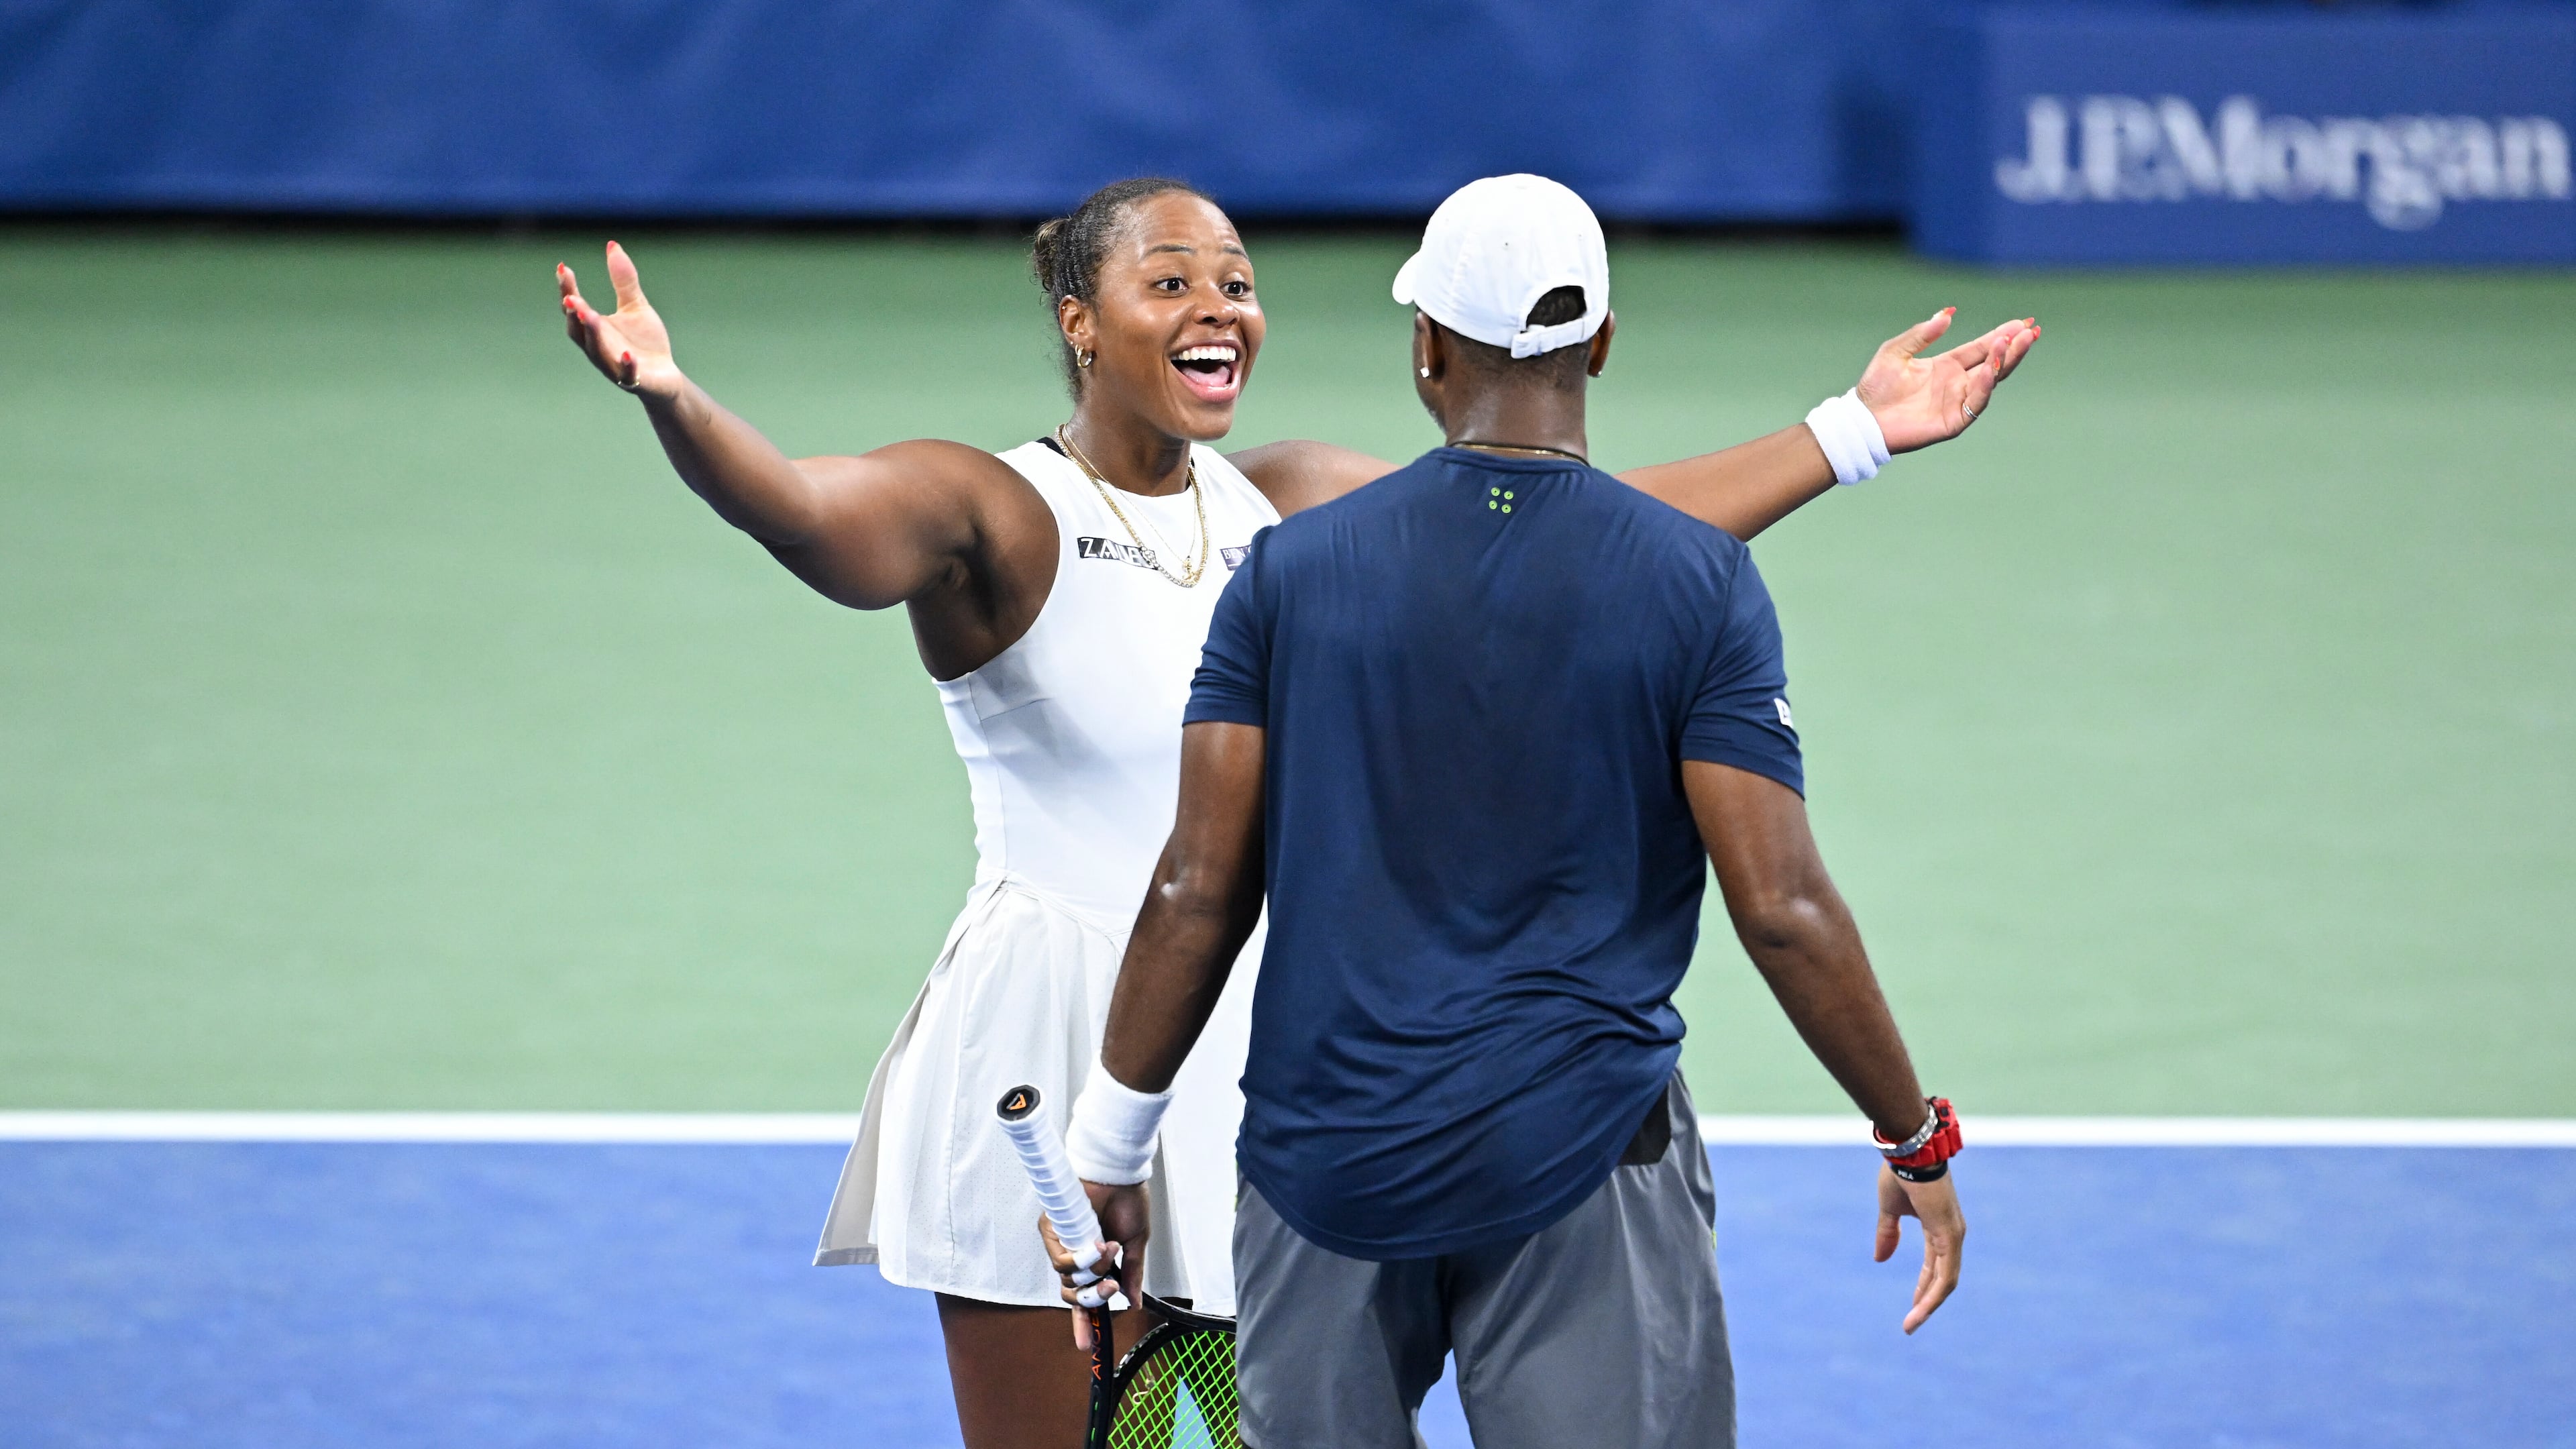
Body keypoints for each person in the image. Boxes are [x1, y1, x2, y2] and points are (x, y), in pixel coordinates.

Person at [557, 176, 2030, 1449]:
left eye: (1240, 280)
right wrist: (680, 407)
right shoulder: (987, 505)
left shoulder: (1291, 509)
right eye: (1172, 279)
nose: (1221, 305)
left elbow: (1574, 528)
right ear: (1081, 321)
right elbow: (811, 516)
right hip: (1060, 1042)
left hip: (1257, 1044)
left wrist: (1855, 431)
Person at [1051, 175, 1974, 1449]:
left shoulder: (1286, 575)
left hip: (1325, 1170)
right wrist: (1913, 1135)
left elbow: (1198, 889)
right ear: (1599, 341)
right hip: (1583, 1162)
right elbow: (1786, 908)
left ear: (1424, 345)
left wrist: (1110, 1150)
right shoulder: (1698, 582)